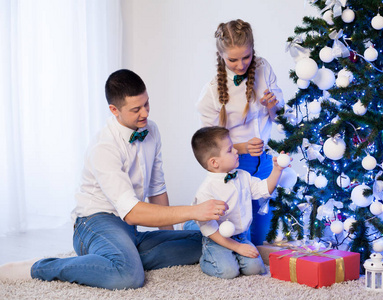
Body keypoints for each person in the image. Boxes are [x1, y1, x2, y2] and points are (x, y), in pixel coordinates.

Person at [0, 69, 228, 290]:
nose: (145, 113)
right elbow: (133, 212)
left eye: (147, 104)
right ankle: (40, 267)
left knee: (206, 241)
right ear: (114, 110)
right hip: (95, 222)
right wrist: (194, 211)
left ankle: (122, 255)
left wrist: (171, 235)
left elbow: (157, 189)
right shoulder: (105, 147)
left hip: (128, 228)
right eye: (136, 109)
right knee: (128, 276)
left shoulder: (152, 131)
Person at [196, 19, 284, 246]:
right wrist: (242, 147)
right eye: (232, 60)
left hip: (263, 158)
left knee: (261, 235)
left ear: (253, 50)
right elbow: (209, 146)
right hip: (234, 161)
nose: (241, 65)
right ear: (220, 56)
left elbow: (281, 118)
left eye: (246, 57)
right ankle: (194, 224)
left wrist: (271, 105)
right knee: (235, 227)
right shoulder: (212, 93)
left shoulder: (263, 68)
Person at [190, 126, 289, 279]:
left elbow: (264, 189)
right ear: (214, 162)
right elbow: (210, 229)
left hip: (241, 236)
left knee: (255, 269)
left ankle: (235, 254)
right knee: (228, 272)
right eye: (230, 150)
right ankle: (206, 257)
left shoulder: (243, 176)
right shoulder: (205, 191)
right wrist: (237, 248)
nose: (236, 151)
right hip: (217, 239)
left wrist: (277, 169)